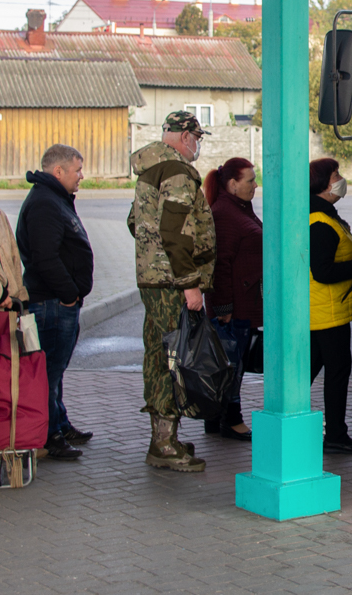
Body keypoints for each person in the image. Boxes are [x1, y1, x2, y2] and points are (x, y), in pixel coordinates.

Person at [128, 111, 216, 472]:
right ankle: (163, 444)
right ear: (185, 136)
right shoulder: (178, 172)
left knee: (159, 353)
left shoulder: (151, 168)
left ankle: (165, 437)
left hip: (154, 278)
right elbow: (176, 232)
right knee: (171, 358)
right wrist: (190, 284)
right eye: (198, 138)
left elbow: (136, 222)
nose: (198, 145)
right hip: (171, 283)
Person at [16, 144, 95, 461]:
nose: (81, 176)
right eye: (77, 170)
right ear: (58, 171)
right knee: (46, 374)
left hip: (58, 302)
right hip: (51, 305)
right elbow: (44, 258)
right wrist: (68, 294)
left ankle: (59, 423)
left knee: (55, 371)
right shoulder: (45, 203)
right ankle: (49, 436)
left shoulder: (53, 198)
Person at [309, 158, 352, 455]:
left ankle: (327, 430)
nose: (341, 179)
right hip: (327, 312)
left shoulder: (324, 216)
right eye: (336, 175)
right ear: (322, 184)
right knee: (336, 372)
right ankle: (335, 433)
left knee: (310, 370)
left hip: (327, 310)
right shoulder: (319, 222)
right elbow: (321, 271)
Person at [203, 157, 262, 442]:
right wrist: (223, 308)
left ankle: (215, 418)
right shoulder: (225, 214)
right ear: (232, 184)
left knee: (230, 362)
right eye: (250, 180)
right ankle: (231, 419)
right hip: (233, 308)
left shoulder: (239, 208)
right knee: (231, 365)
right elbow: (219, 265)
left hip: (242, 303)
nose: (255, 185)